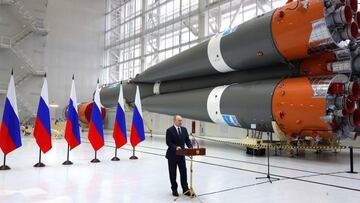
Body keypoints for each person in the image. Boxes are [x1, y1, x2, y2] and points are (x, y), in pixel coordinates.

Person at [165, 115, 193, 197]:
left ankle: (185, 190)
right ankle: (174, 189)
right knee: (173, 174)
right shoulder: (169, 130)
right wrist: (175, 147)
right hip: (172, 156)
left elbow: (187, 140)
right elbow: (168, 142)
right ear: (175, 121)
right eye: (179, 120)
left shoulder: (184, 130)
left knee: (183, 173)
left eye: (181, 120)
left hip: (182, 155)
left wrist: (190, 147)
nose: (181, 122)